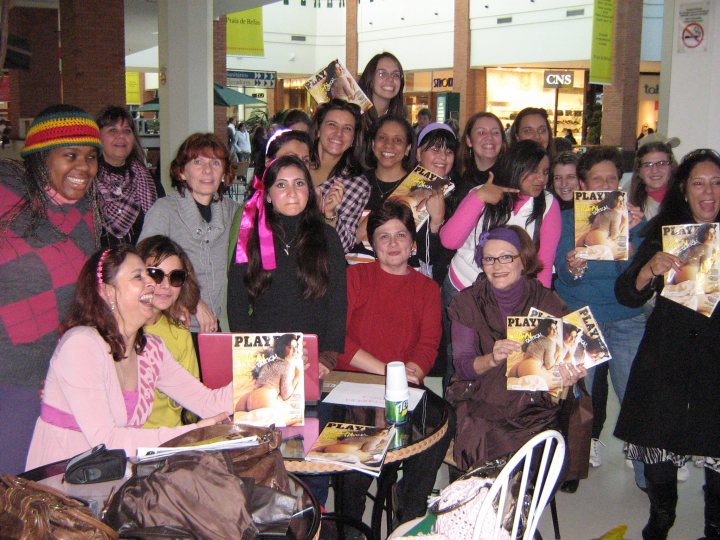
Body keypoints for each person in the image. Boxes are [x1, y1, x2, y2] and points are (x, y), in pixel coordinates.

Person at [25, 245, 232, 470]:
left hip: (109, 478)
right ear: (108, 292)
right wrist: (193, 435)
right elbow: (106, 441)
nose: (152, 284)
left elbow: (208, 403)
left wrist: (264, 372)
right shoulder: (81, 344)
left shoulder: (150, 349)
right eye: (138, 277)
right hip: (62, 483)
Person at [614, 149, 720, 539]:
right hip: (666, 354)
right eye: (698, 183)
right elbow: (626, 293)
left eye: (716, 182)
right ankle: (661, 516)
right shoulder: (664, 232)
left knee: (717, 447)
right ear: (683, 189)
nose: (708, 192)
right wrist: (649, 269)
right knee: (657, 441)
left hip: (715, 357)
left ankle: (714, 525)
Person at [335, 200, 451, 525]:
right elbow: (339, 341)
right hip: (355, 384)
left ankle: (409, 508)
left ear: (413, 243)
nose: (393, 244)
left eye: (400, 235)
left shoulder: (427, 289)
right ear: (371, 244)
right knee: (363, 441)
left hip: (405, 387)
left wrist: (415, 368)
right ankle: (351, 522)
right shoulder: (355, 278)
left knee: (443, 421)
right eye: (383, 237)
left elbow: (429, 342)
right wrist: (387, 372)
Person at [0, 104, 102, 474]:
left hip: (60, 377)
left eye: (91, 157)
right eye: (70, 155)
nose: (84, 167)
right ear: (42, 157)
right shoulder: (7, 197)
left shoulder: (84, 213)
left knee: (47, 496)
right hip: (9, 378)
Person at [446, 225, 586, 470]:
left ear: (524, 260)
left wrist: (567, 377)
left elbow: (564, 364)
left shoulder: (547, 300)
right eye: (489, 258)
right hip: (480, 393)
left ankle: (514, 500)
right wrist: (492, 358)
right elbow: (463, 366)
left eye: (506, 257)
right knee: (482, 433)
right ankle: (484, 501)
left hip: (533, 399)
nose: (497, 265)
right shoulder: (466, 302)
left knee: (536, 441)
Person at [553, 146, 647, 479]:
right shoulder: (566, 219)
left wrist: (634, 241)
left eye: (612, 179)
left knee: (637, 397)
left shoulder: (635, 219)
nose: (605, 185)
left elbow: (642, 279)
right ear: (582, 184)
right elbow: (563, 278)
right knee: (577, 400)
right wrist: (572, 266)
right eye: (597, 179)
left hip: (625, 316)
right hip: (580, 315)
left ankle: (647, 473)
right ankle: (571, 468)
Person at [228, 155, 347, 378]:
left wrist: (327, 356)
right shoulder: (249, 238)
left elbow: (338, 301)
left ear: (309, 191)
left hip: (313, 356)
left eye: (299, 183)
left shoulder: (327, 237)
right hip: (261, 356)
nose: (291, 192)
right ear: (268, 195)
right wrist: (248, 353)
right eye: (281, 185)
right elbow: (237, 303)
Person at [139, 133, 240, 335]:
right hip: (174, 323)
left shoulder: (233, 212)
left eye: (215, 163)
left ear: (224, 173)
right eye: (197, 162)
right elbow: (145, 264)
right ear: (182, 172)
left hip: (221, 327)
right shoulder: (165, 210)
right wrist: (193, 301)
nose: (207, 171)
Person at [137, 235, 202, 428]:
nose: (165, 286)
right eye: (156, 274)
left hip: (172, 443)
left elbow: (194, 400)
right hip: (127, 447)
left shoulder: (178, 331)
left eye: (175, 277)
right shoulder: (116, 331)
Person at [309, 99, 369, 253]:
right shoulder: (295, 162)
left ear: (354, 139)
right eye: (332, 125)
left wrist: (331, 215)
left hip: (316, 265)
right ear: (318, 129)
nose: (339, 133)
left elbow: (345, 246)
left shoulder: (356, 184)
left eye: (347, 128)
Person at [95, 106, 159, 247]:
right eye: (113, 130)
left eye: (127, 131)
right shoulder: (87, 181)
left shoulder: (148, 180)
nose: (121, 136)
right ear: (98, 137)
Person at [456, 112, 507, 202]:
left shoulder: (513, 177)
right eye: (481, 132)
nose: (489, 137)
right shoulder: (458, 179)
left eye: (495, 132)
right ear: (469, 140)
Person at [629, 141, 677, 221]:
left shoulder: (687, 200)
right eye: (648, 165)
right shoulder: (629, 206)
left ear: (671, 167)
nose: (655, 170)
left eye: (662, 163)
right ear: (639, 172)